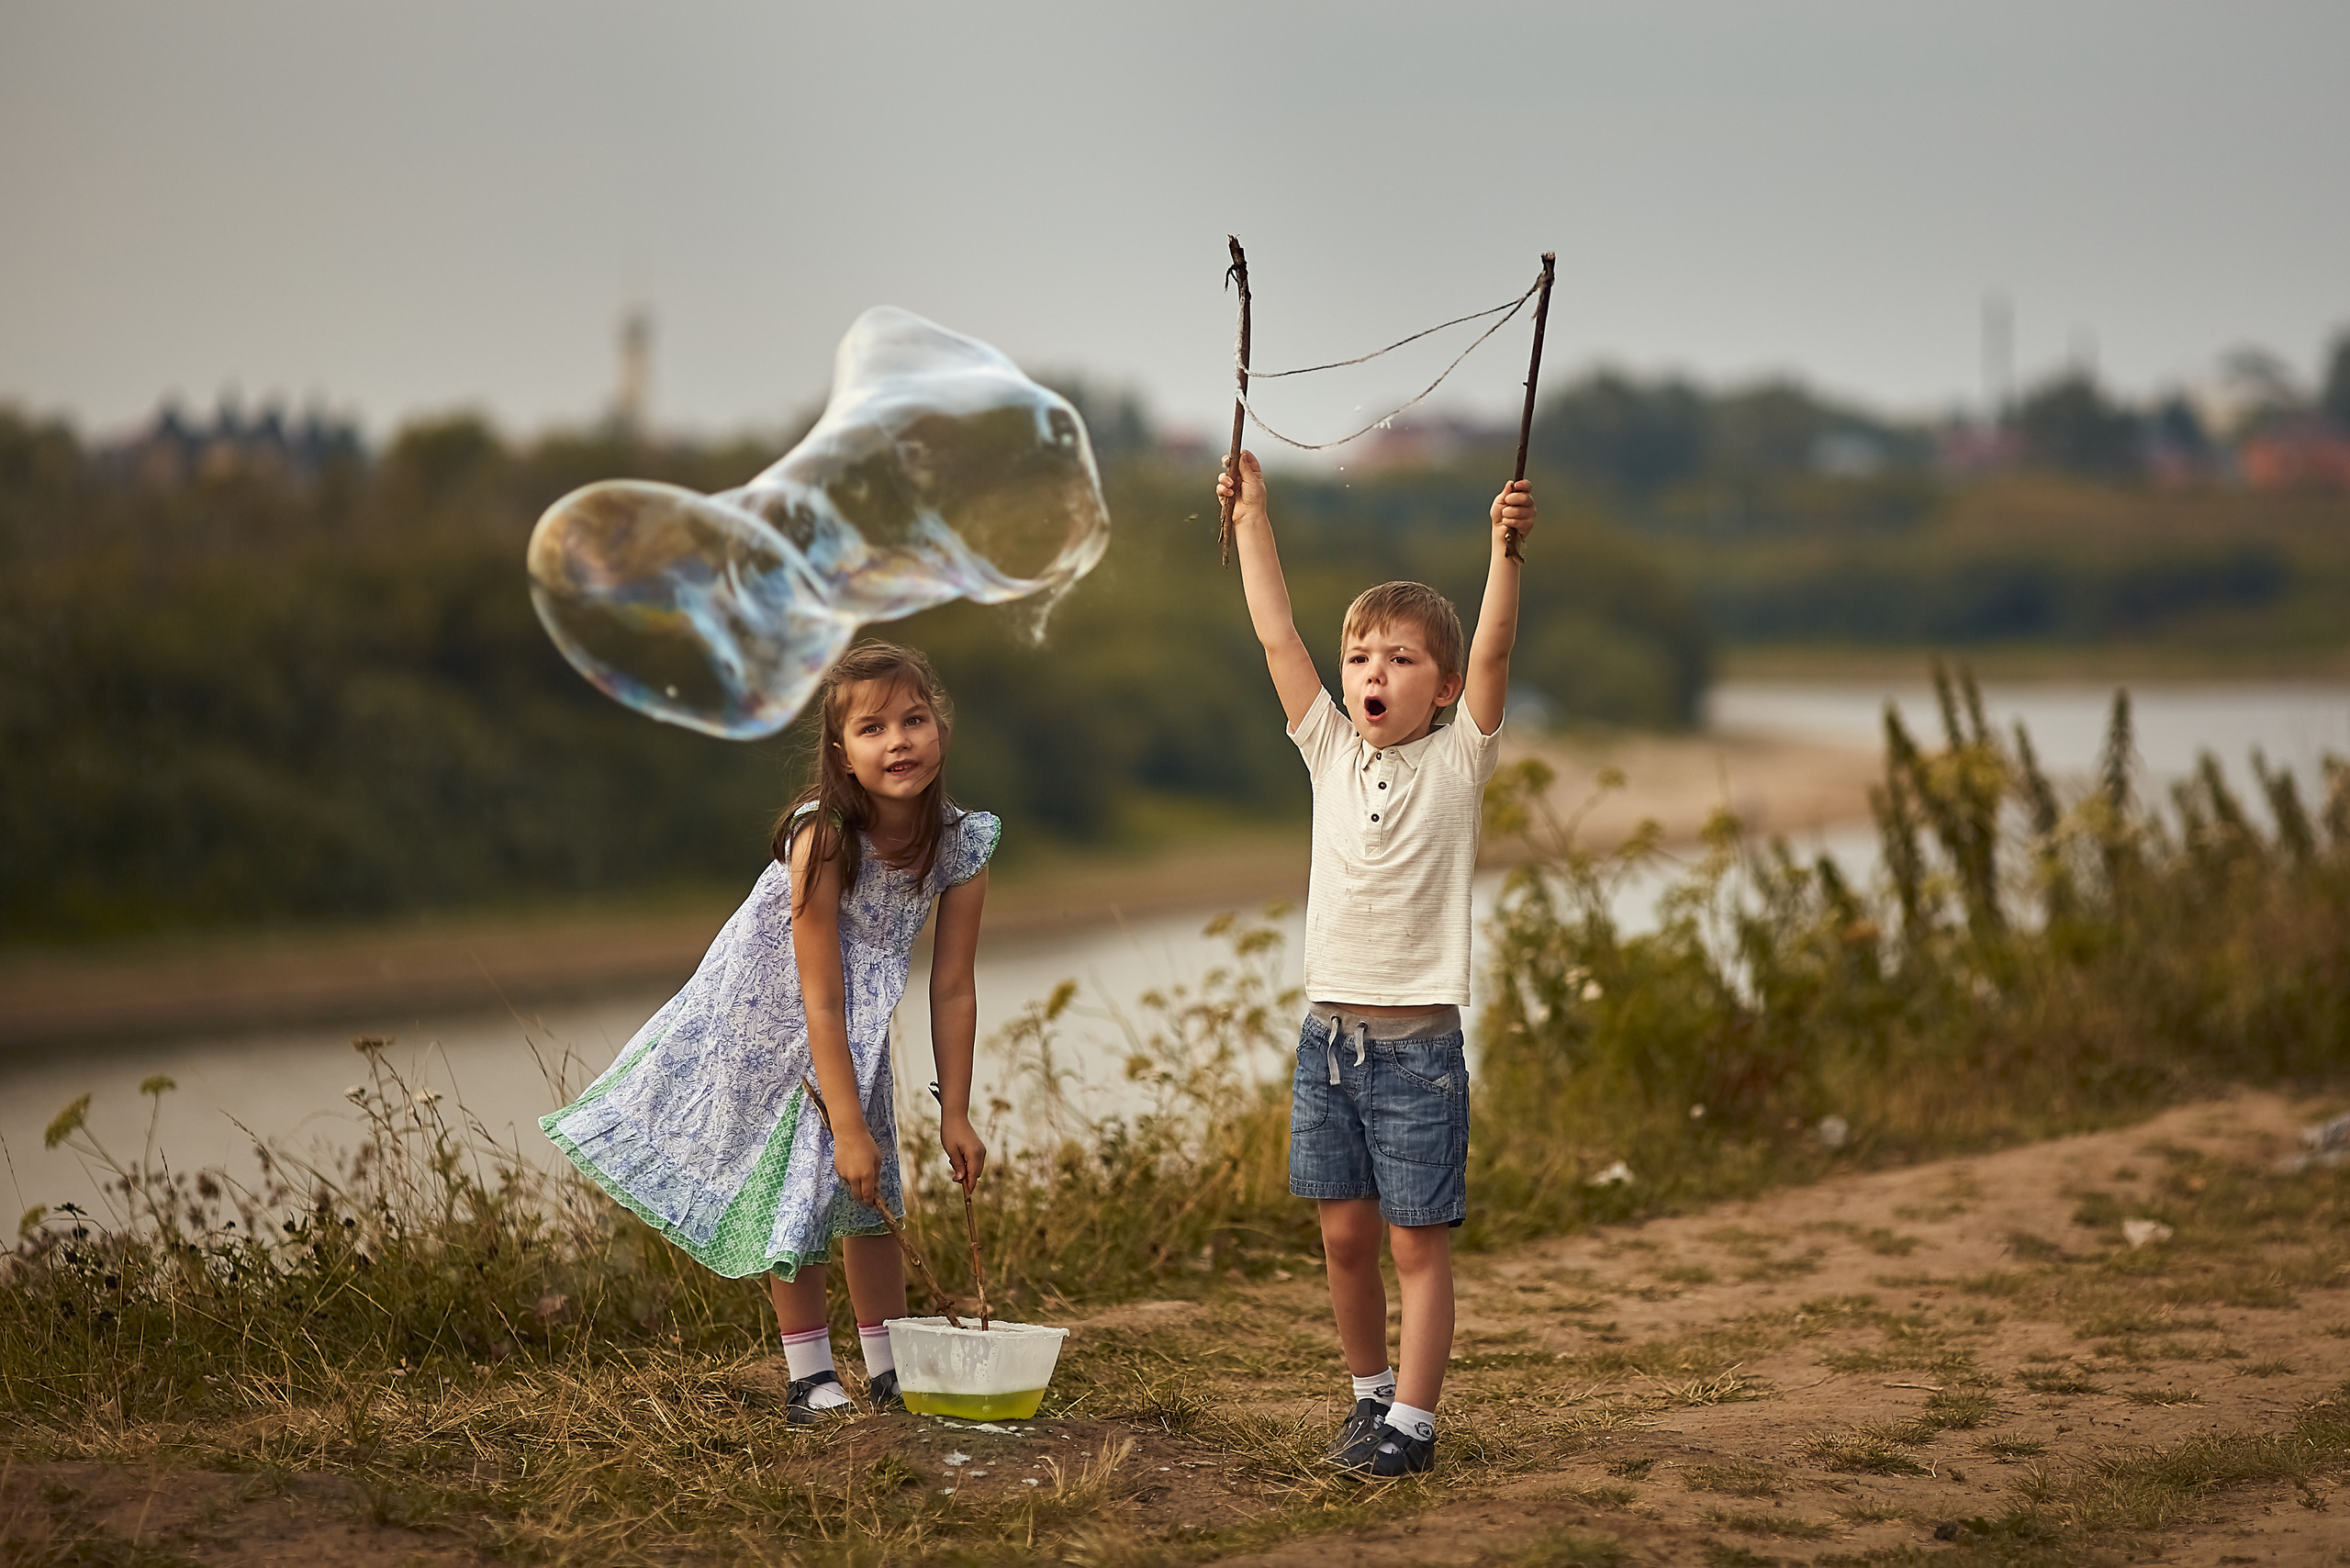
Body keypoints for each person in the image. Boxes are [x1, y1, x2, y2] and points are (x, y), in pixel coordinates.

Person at [542, 640, 994, 1425]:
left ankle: (888, 1370)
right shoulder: (823, 839)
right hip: (769, 1022)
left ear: (941, 731)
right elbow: (816, 997)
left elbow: (953, 988)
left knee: (875, 1193)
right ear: (842, 754)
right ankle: (810, 1374)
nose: (899, 742)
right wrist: (843, 1122)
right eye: (874, 728)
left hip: (857, 1025)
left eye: (915, 720)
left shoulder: (961, 842)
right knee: (805, 1186)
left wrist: (955, 1110)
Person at [1216, 450, 1535, 1478]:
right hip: (1328, 1045)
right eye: (1361, 656)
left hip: (1416, 1056)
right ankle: (1364, 1398)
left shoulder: (1458, 755)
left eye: (1398, 659)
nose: (1370, 674)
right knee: (1344, 1237)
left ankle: (1412, 1420)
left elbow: (1491, 653)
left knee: (1415, 1246)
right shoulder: (1327, 748)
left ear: (1439, 688)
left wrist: (1503, 552)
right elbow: (1275, 630)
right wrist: (1251, 518)